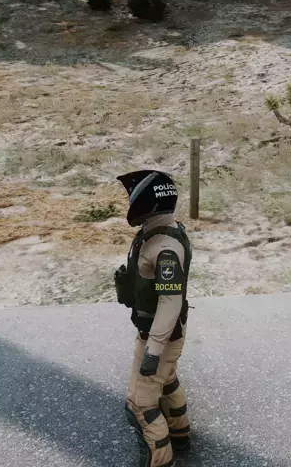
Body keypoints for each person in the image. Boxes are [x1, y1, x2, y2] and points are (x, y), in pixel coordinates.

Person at [114, 169, 192, 467]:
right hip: (162, 332)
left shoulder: (165, 246)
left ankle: (161, 459)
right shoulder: (158, 232)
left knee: (141, 404)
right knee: (166, 382)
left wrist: (153, 351)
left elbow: (170, 302)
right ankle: (180, 435)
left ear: (150, 202)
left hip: (159, 336)